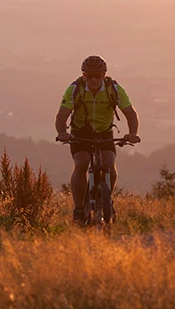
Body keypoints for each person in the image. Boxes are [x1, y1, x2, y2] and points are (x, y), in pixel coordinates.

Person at [54, 55, 140, 225]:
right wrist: (62, 132)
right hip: (80, 133)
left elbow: (130, 113)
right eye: (89, 75)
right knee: (81, 163)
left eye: (97, 75)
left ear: (104, 75)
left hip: (104, 132)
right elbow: (61, 116)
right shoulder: (75, 89)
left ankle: (107, 199)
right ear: (83, 75)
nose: (93, 79)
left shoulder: (114, 89)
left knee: (109, 163)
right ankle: (79, 209)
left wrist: (133, 133)